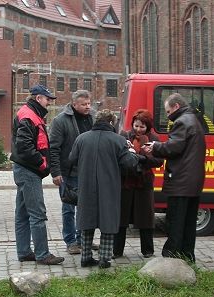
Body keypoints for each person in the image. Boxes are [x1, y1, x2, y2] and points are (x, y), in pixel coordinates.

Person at [69, 109, 142, 268]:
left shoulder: (81, 138)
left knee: (87, 222)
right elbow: (129, 163)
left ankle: (86, 257)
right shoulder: (118, 140)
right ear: (111, 122)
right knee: (108, 222)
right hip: (109, 187)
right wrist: (131, 151)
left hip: (86, 186)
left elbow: (72, 159)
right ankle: (104, 259)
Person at [143, 93, 206, 263]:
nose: (167, 114)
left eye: (168, 110)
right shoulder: (194, 119)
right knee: (188, 222)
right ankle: (187, 254)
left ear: (176, 106)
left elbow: (173, 148)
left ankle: (171, 254)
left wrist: (155, 147)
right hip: (193, 181)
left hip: (181, 180)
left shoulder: (181, 122)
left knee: (176, 220)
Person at [10, 84, 64, 265]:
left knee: (23, 214)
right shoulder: (29, 115)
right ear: (38, 98)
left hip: (24, 169)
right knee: (37, 214)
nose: (49, 102)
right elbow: (24, 147)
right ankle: (42, 254)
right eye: (47, 99)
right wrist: (42, 163)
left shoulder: (29, 113)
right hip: (29, 170)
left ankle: (24, 252)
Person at [49, 90, 99, 255]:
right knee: (69, 208)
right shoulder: (60, 121)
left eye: (89, 103)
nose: (88, 107)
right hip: (68, 172)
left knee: (87, 208)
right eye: (84, 104)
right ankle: (71, 241)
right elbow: (54, 149)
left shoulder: (93, 118)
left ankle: (84, 239)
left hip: (89, 171)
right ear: (74, 104)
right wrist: (55, 172)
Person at [113, 109, 163, 259]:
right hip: (126, 181)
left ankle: (147, 250)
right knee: (121, 218)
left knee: (146, 217)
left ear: (148, 126)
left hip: (144, 182)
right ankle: (117, 250)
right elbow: (117, 157)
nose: (138, 129)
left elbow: (159, 161)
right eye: (136, 126)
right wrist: (127, 152)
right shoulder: (124, 135)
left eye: (142, 127)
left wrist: (142, 158)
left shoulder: (154, 138)